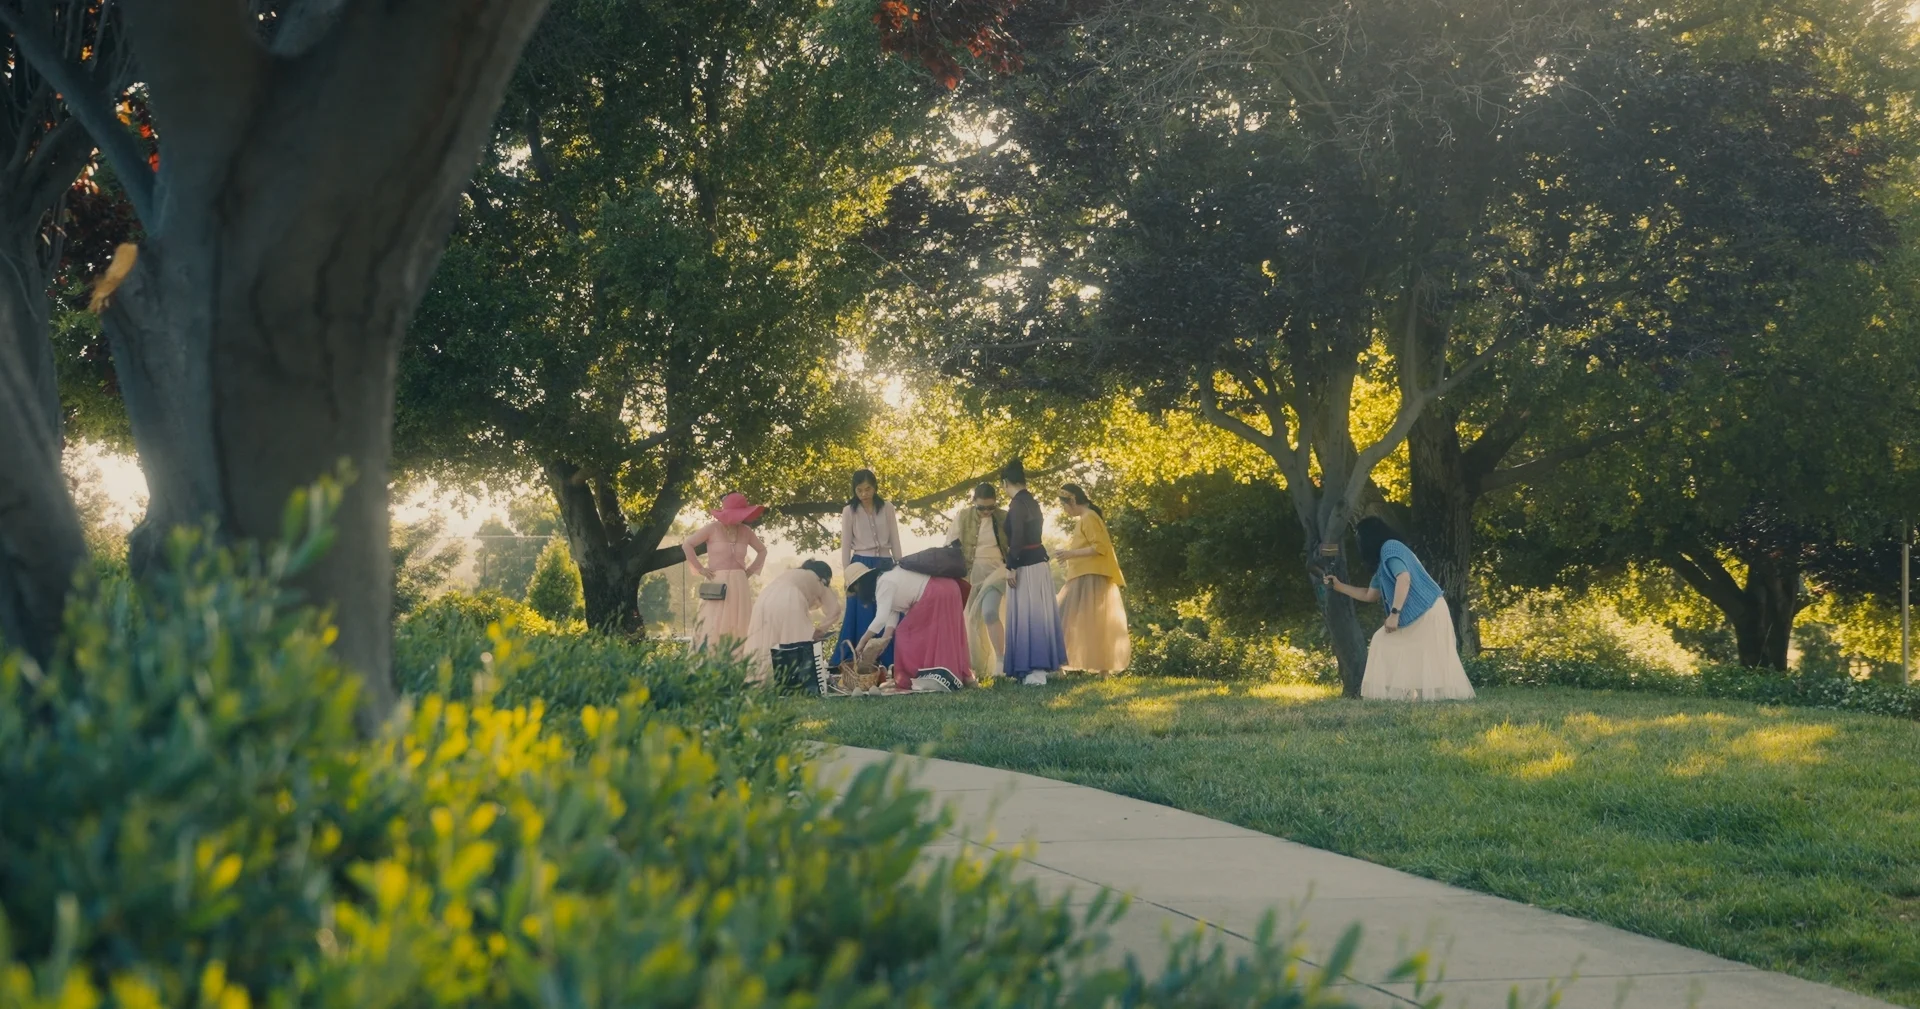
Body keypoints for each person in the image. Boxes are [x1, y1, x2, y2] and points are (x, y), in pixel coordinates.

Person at [1322, 517, 1476, 701]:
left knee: (1388, 642)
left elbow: (1404, 578)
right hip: (1425, 610)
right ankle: (1409, 696)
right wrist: (1339, 587)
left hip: (1427, 609)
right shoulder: (1382, 562)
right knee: (1403, 648)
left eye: (1359, 536)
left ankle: (1399, 696)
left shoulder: (1391, 548)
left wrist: (1394, 614)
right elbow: (1369, 595)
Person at [999, 459, 1067, 685]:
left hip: (1026, 565)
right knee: (1039, 613)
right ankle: (1037, 667)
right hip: (1039, 562)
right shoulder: (1032, 502)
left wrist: (1011, 566)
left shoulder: (1017, 504)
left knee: (1029, 615)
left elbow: (1017, 537)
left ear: (1006, 482)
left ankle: (1034, 669)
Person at [855, 565, 975, 691]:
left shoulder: (884, 583)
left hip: (936, 591)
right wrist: (882, 643)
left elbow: (880, 619)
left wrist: (862, 642)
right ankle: (963, 677)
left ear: (863, 583)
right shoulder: (888, 579)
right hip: (947, 588)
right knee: (942, 635)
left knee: (905, 633)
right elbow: (891, 621)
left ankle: (910, 678)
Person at [1055, 484, 1130, 673]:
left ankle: (1058, 665)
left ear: (1072, 501)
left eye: (1064, 506)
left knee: (1063, 616)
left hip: (1089, 576)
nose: (1064, 510)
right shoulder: (1087, 518)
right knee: (1093, 621)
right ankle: (1097, 668)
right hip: (1085, 574)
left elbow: (1100, 548)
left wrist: (1069, 554)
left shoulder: (1088, 518)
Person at [681, 492, 768, 654]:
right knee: (712, 622)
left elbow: (762, 550)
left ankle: (739, 662)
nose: (739, 518)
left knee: (739, 622)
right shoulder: (712, 528)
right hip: (716, 581)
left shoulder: (746, 531)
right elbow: (687, 544)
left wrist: (750, 571)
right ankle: (710, 663)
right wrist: (700, 568)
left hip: (739, 583)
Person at [835, 468, 902, 665]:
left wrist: (900, 563)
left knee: (889, 609)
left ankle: (889, 660)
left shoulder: (887, 507)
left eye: (868, 489)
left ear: (875, 488)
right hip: (860, 566)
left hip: (885, 563)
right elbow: (846, 544)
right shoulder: (849, 511)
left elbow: (895, 538)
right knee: (863, 613)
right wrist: (848, 574)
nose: (864, 494)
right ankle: (858, 661)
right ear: (854, 490)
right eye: (859, 490)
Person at [742, 559, 842, 685]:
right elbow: (835, 610)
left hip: (763, 600)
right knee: (795, 642)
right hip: (788, 600)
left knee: (765, 640)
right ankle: (794, 681)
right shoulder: (819, 580)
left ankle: (760, 680)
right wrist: (821, 630)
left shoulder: (793, 574)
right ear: (825, 576)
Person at [948, 482, 1011, 678]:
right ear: (973, 502)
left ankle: (1001, 662)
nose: (986, 511)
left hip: (998, 571)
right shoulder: (963, 516)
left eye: (991, 507)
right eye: (981, 507)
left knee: (990, 612)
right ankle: (978, 668)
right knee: (973, 621)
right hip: (971, 573)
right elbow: (950, 544)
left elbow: (1015, 546)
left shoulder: (1004, 517)